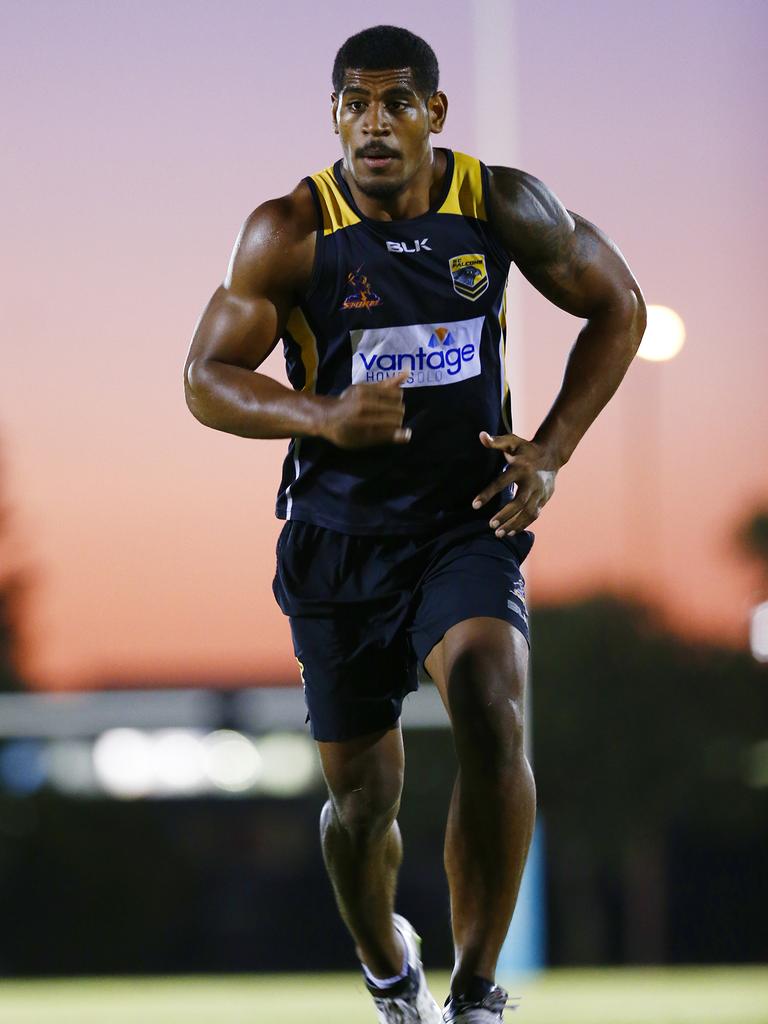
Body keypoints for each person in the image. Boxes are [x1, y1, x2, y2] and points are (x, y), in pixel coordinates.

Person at [184, 24, 646, 1024]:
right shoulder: (291, 228)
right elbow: (203, 380)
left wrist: (552, 449)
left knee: (490, 697)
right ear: (335, 115)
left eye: (396, 103)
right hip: (338, 545)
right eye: (355, 103)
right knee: (363, 808)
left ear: (435, 113)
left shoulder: (501, 204)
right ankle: (390, 969)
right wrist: (320, 414)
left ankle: (476, 994)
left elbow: (619, 305)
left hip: (464, 522)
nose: (375, 124)